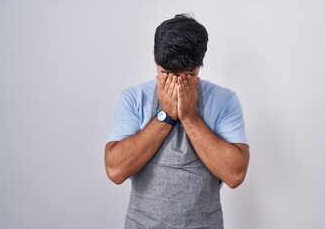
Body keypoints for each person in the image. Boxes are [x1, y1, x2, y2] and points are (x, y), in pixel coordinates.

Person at [104, 14, 250, 229]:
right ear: (155, 57)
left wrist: (190, 117)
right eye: (167, 74)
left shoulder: (224, 100)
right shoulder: (134, 98)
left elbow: (235, 174)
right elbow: (115, 171)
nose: (177, 86)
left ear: (201, 63)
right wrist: (165, 115)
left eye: (188, 76)